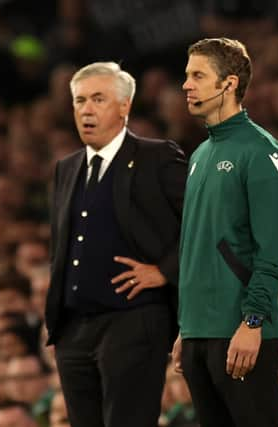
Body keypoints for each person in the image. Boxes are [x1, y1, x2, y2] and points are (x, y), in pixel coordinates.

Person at [45, 62, 187, 427]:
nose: (86, 110)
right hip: (74, 329)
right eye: (79, 101)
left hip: (133, 319)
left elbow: (202, 226)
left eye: (98, 99)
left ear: (124, 106)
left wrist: (164, 271)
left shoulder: (157, 157)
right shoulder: (67, 167)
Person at [172, 38, 278, 427]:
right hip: (199, 332)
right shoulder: (200, 154)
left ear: (229, 83)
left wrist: (253, 322)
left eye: (198, 75)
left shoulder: (260, 151)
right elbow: (197, 247)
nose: (186, 85)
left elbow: (270, 251)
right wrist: (186, 328)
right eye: (187, 75)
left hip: (241, 332)